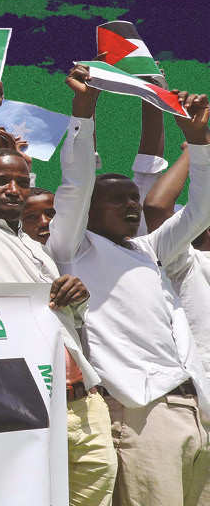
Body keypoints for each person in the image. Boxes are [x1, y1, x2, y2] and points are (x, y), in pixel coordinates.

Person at [48, 63, 210, 506]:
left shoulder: (151, 248)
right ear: (88, 211)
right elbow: (76, 182)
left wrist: (198, 143)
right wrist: (84, 110)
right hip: (140, 413)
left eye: (133, 200)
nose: (131, 207)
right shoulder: (72, 250)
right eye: (116, 200)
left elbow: (200, 210)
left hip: (193, 407)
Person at [0, 148, 112, 505]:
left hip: (85, 405)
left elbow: (64, 322)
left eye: (21, 182)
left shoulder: (36, 247)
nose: (14, 190)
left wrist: (76, 298)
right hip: (26, 405)